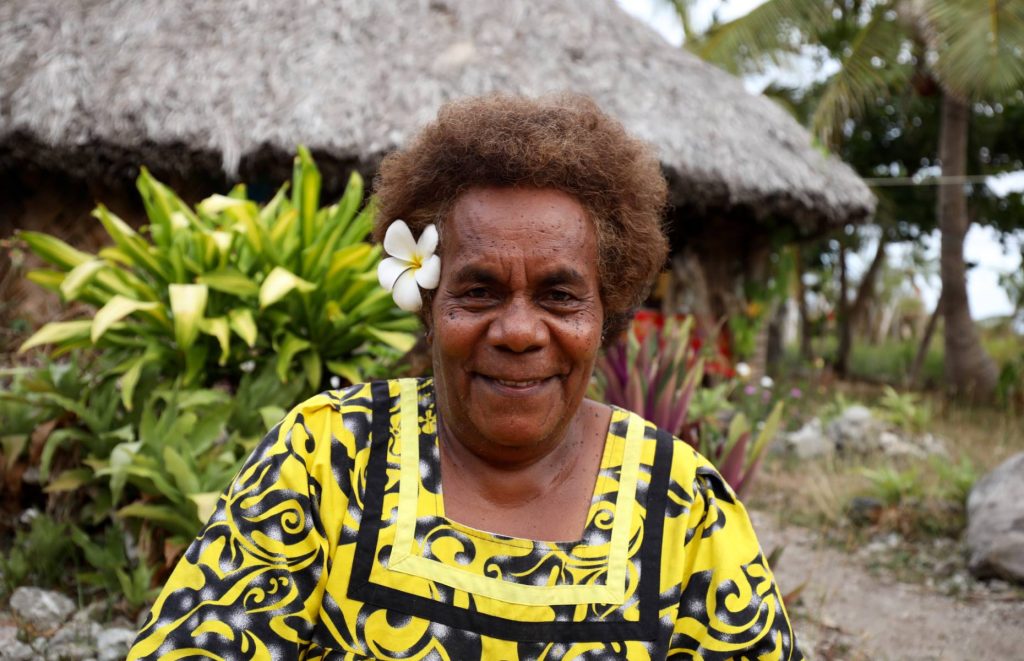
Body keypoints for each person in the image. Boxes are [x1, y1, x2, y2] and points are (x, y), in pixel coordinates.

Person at [127, 93, 801, 660]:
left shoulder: (684, 507)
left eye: (560, 296)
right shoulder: (326, 459)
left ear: (606, 307)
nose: (517, 330)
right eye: (478, 291)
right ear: (428, 299)